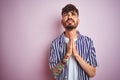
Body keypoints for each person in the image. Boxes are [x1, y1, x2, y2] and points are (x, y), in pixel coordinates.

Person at [49, 4, 98, 80]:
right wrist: (67, 55)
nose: (70, 17)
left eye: (73, 14)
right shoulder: (55, 44)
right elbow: (54, 73)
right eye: (66, 14)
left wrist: (76, 55)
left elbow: (92, 73)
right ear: (62, 22)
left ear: (78, 21)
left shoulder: (88, 42)